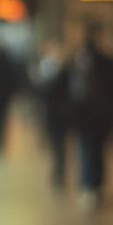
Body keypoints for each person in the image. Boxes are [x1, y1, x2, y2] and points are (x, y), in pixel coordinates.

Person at [66, 24, 113, 209]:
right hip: (98, 116)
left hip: (88, 116)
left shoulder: (78, 61)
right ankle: (94, 185)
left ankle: (90, 186)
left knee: (89, 151)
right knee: (95, 151)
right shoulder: (107, 62)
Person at [38, 41, 72, 188]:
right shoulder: (47, 68)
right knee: (56, 144)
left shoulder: (65, 71)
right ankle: (57, 171)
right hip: (52, 113)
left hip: (60, 115)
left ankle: (59, 172)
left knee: (60, 145)